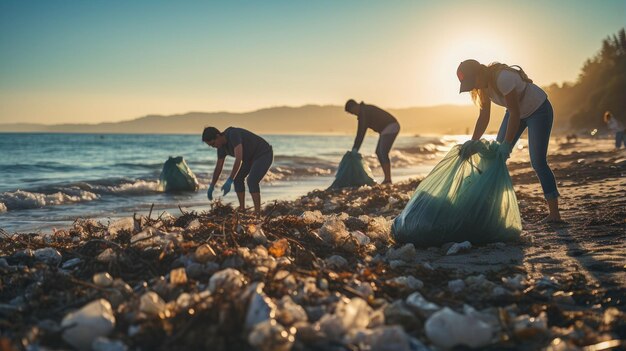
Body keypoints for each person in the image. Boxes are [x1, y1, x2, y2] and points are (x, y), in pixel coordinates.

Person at [456, 59, 563, 224]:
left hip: (538, 110)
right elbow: (484, 117)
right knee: (494, 161)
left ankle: (555, 214)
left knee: (538, 162)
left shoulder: (502, 77)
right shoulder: (482, 87)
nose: (474, 87)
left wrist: (506, 144)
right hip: (515, 113)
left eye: (472, 82)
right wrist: (472, 142)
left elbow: (514, 113)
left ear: (479, 73)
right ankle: (491, 211)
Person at [202, 126, 273, 217]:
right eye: (211, 146)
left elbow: (238, 159)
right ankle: (242, 209)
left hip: (263, 153)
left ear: (218, 136)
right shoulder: (221, 147)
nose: (214, 147)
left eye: (213, 143)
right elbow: (218, 167)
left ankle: (258, 213)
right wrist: (212, 185)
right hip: (249, 159)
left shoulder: (233, 134)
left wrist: (230, 180)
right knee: (238, 179)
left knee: (251, 181)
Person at [345, 99, 401, 184]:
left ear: (355, 106)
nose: (353, 114)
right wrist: (355, 148)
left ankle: (388, 179)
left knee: (382, 152)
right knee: (379, 152)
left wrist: (355, 149)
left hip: (390, 126)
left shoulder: (364, 113)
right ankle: (387, 179)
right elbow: (360, 133)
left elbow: (361, 133)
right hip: (388, 128)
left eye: (352, 112)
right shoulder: (364, 111)